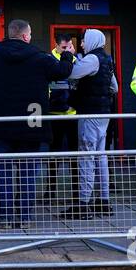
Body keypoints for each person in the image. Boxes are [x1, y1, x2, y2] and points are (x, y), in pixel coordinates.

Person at [0, 20, 73, 226]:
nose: (30, 37)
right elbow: (63, 71)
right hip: (32, 125)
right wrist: (67, 52)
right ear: (24, 36)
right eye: (29, 34)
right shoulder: (41, 58)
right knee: (28, 173)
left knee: (2, 173)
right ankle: (23, 218)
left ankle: (4, 217)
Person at [63, 29, 119, 218]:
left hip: (90, 113)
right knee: (100, 157)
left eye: (84, 41)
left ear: (93, 41)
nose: (82, 45)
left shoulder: (92, 59)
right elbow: (115, 87)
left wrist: (70, 57)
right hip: (104, 113)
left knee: (86, 157)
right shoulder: (107, 59)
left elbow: (72, 74)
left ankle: (83, 204)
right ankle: (103, 201)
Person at [46, 32, 78, 197]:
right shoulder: (49, 60)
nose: (67, 50)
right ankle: (50, 190)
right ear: (56, 45)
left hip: (72, 114)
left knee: (74, 154)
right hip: (54, 114)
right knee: (54, 153)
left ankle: (75, 190)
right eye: (64, 48)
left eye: (69, 47)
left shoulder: (75, 59)